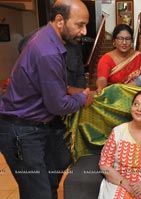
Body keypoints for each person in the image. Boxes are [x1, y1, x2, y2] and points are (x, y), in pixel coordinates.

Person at [0, 1, 92, 199]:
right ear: (60, 20)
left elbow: (47, 85)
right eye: (80, 24)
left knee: (52, 176)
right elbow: (58, 105)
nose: (84, 31)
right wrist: (82, 98)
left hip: (37, 126)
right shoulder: (48, 51)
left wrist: (69, 90)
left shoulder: (48, 39)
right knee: (38, 193)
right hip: (21, 131)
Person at [96, 24, 141, 94]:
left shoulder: (139, 57)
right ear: (114, 41)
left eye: (127, 39)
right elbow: (102, 78)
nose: (124, 42)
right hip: (114, 98)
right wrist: (100, 88)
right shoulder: (106, 59)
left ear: (131, 41)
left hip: (137, 99)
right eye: (120, 39)